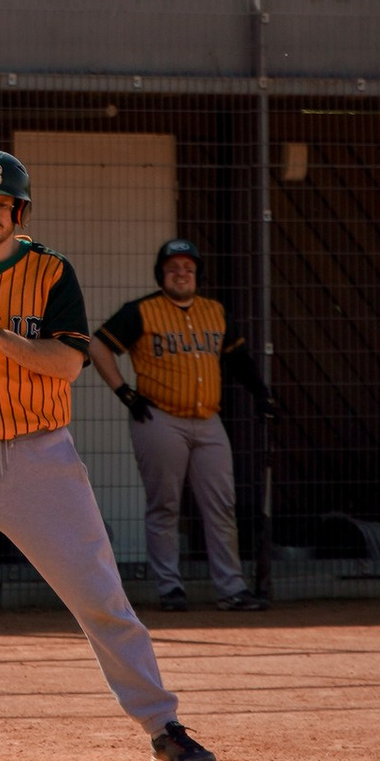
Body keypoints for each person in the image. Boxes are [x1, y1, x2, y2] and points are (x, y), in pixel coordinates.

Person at [0, 148, 217, 761]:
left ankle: (162, 728)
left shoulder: (51, 271)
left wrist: (0, 335)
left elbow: (68, 363)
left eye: (0, 205)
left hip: (42, 457)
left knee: (100, 598)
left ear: (19, 211)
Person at [92, 236, 268, 614]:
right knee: (165, 506)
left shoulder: (214, 312)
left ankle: (232, 589)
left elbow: (239, 359)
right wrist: (125, 392)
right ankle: (170, 588)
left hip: (208, 420)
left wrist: (261, 394)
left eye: (188, 268)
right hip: (159, 417)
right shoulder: (141, 310)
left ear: (197, 274)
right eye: (173, 269)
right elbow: (98, 345)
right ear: (161, 275)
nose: (181, 274)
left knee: (221, 506)